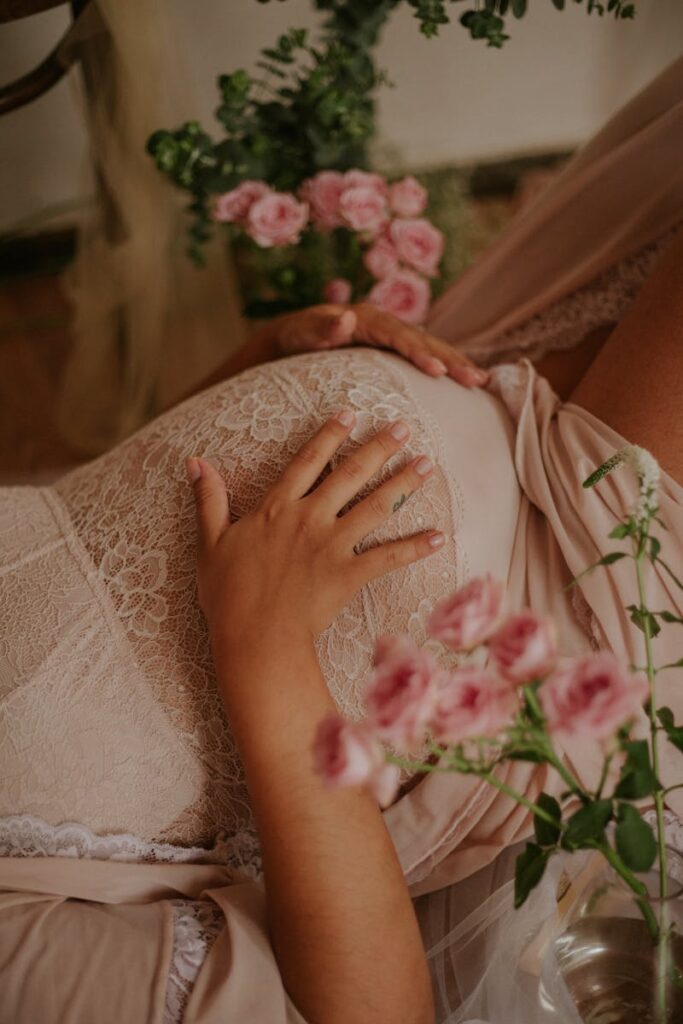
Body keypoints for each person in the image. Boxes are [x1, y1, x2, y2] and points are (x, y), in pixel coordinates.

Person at [0, 55, 682, 1024]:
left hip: (490, 374)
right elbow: (370, 1012)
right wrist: (267, 649)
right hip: (573, 583)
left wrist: (255, 367)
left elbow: (80, 557)